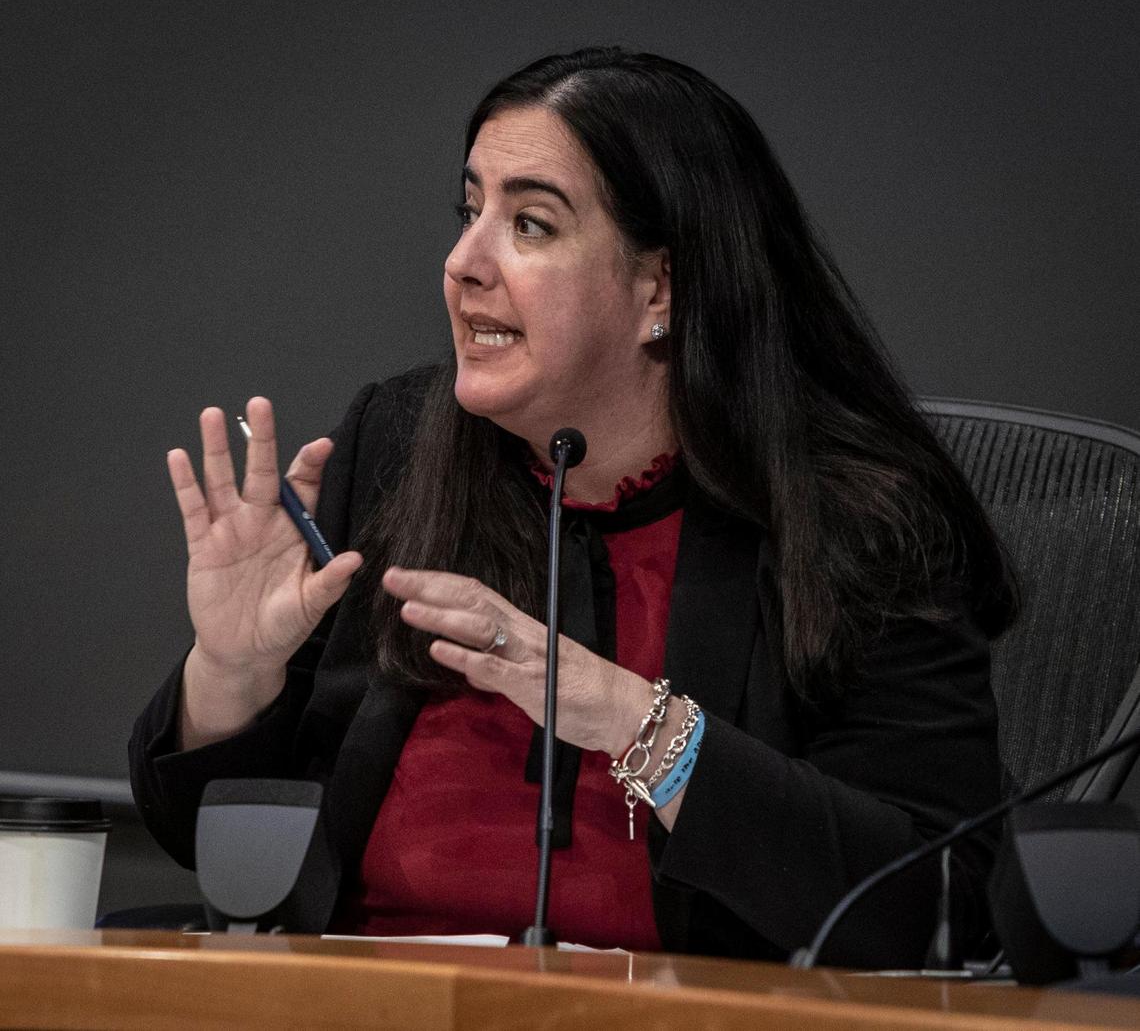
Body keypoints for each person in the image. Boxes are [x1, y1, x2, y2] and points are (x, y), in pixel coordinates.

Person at [130, 47, 1016, 967]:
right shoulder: (395, 447)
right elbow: (210, 842)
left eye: (531, 225)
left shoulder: (854, 517)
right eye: (470, 211)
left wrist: (629, 719)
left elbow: (934, 898)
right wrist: (233, 673)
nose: (463, 263)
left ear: (658, 289)